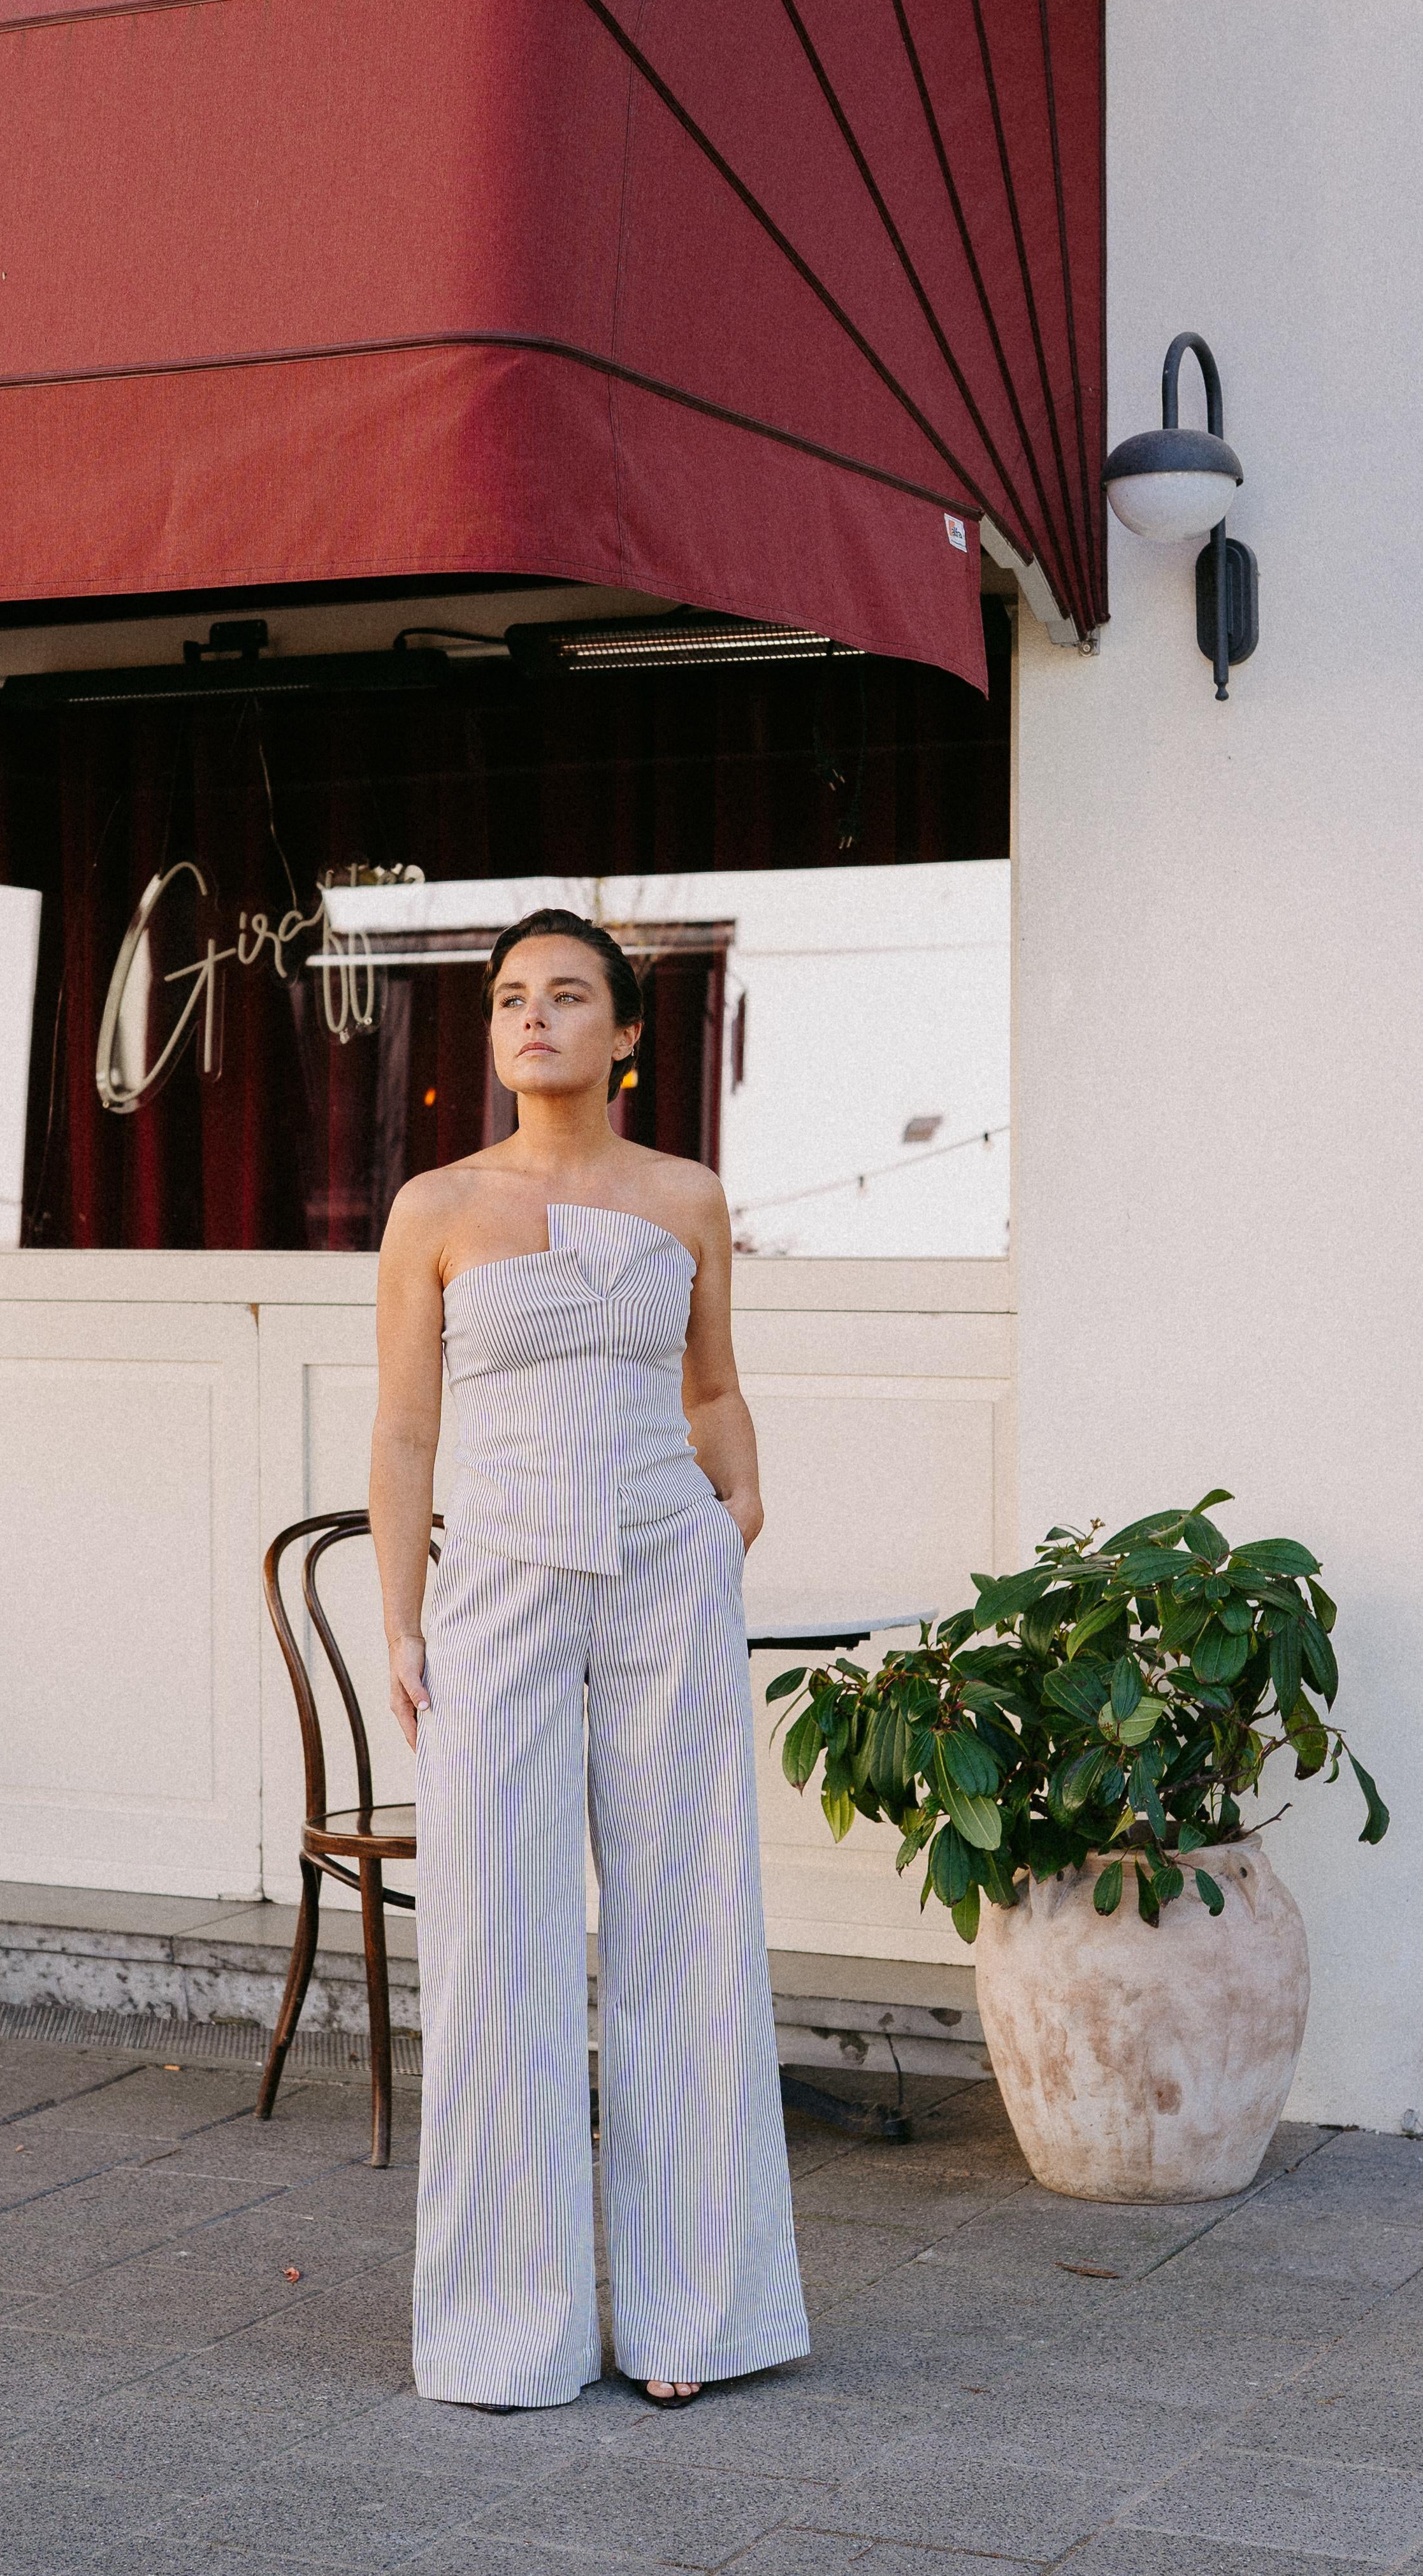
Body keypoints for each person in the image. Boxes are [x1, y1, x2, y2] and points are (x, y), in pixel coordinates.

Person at [370, 907, 809, 2412]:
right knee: (495, 1935)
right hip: (495, 1589)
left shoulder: (686, 1196)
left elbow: (715, 1384)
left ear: (627, 1032)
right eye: (510, 997)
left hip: (665, 1584)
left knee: (689, 1926)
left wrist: (736, 1509)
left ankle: (699, 2318)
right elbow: (404, 1428)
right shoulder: (432, 1204)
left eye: (567, 995)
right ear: (490, 1034)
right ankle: (509, 2327)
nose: (534, 1016)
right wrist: (400, 1619)